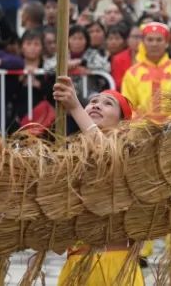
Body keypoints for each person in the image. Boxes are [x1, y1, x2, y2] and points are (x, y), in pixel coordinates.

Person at [52, 75, 141, 285]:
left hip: (113, 264)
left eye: (107, 103)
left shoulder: (128, 149)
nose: (97, 105)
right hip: (77, 262)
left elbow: (106, 154)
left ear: (123, 122)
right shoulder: (74, 154)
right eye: (93, 101)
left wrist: (75, 108)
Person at [121, 22, 171, 123]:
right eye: (150, 39)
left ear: (166, 43)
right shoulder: (132, 73)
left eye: (159, 40)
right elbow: (128, 106)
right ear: (143, 42)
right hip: (142, 130)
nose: (154, 44)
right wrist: (144, 124)